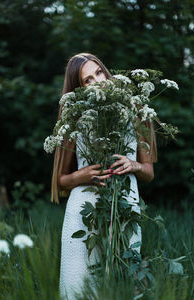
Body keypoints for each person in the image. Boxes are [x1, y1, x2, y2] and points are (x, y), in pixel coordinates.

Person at [51, 53, 157, 299]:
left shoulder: (135, 109)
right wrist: (83, 175)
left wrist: (134, 165)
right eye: (88, 80)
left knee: (125, 283)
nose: (98, 81)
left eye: (99, 72)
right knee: (79, 287)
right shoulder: (74, 117)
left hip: (125, 210)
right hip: (83, 213)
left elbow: (149, 172)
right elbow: (61, 180)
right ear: (78, 89)